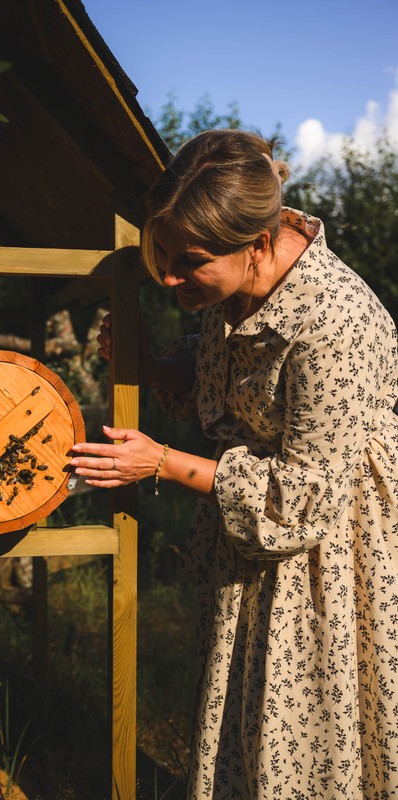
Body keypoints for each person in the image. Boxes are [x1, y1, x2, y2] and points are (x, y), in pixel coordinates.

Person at [69, 129, 398, 799]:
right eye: (161, 254)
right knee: (242, 718)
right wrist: (153, 361)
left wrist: (159, 462)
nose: (168, 278)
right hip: (251, 538)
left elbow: (306, 495)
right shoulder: (236, 286)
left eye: (188, 262)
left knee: (303, 734)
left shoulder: (331, 321)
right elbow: (229, 382)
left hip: (328, 556)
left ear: (256, 243)